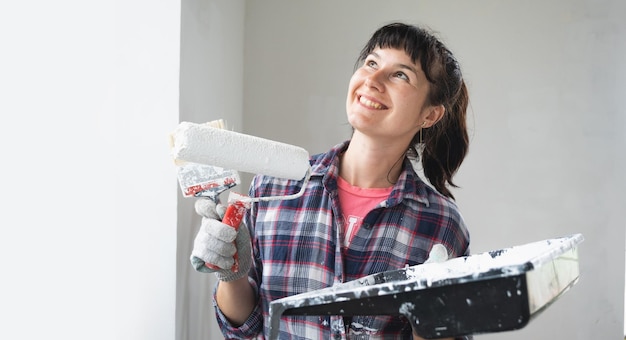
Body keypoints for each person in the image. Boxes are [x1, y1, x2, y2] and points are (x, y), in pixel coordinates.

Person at [191, 22, 472, 339]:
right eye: (371, 63)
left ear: (430, 115)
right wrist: (231, 274)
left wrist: (430, 317)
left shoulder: (441, 224)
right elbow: (244, 327)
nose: (373, 80)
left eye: (400, 75)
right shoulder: (274, 187)